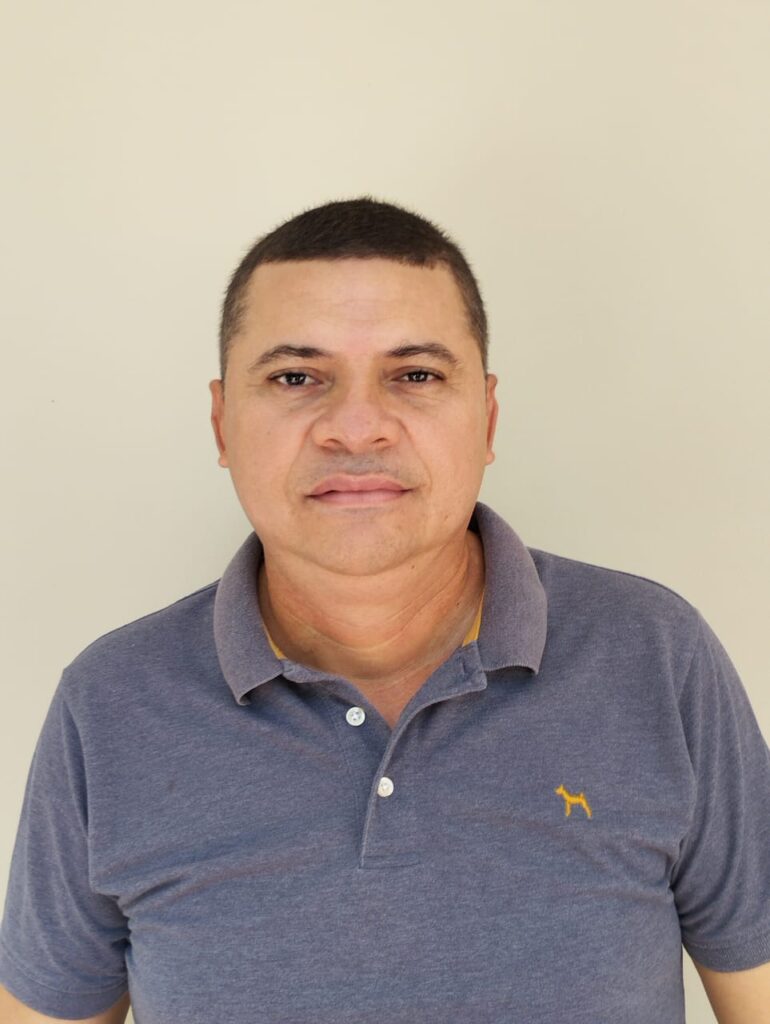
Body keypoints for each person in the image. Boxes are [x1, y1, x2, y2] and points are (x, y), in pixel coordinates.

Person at [1, 196, 768, 1024]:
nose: (357, 427)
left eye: (416, 375)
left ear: (487, 418)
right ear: (222, 424)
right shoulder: (111, 704)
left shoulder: (655, 656)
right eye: (297, 378)